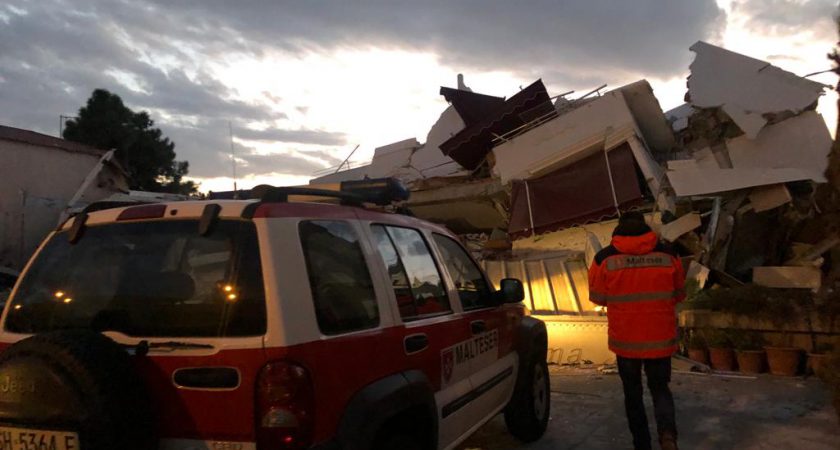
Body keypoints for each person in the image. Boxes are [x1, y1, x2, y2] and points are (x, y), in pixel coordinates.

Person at [588, 211, 685, 450]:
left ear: (618, 229)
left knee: (633, 394)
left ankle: (642, 444)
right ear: (645, 228)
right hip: (660, 339)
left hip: (626, 341)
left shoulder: (604, 258)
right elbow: (678, 294)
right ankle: (668, 436)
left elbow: (598, 297)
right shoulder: (668, 255)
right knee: (660, 389)